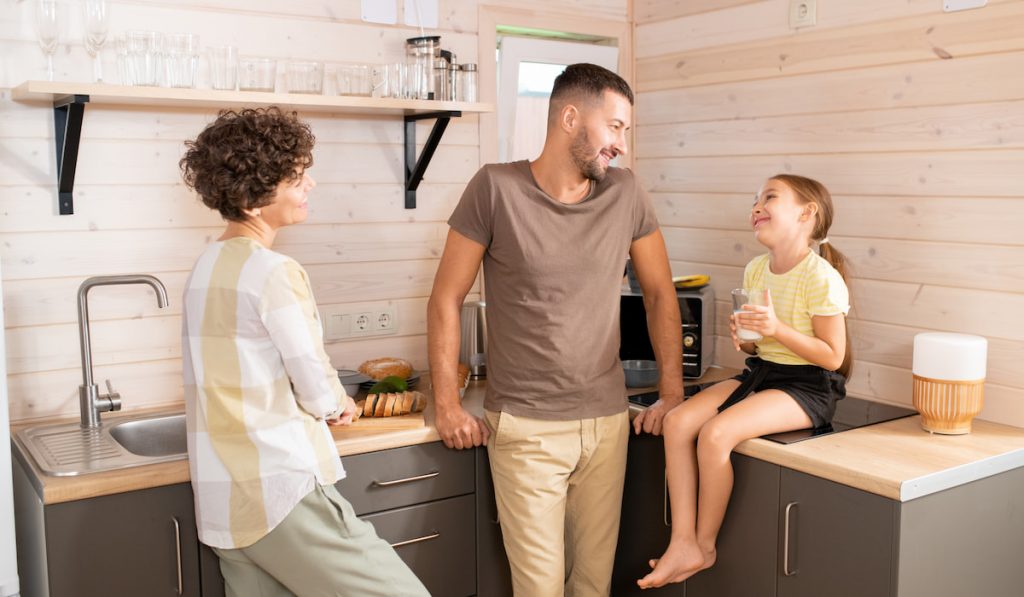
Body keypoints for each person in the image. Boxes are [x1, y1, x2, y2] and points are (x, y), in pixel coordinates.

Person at [427, 63, 683, 596]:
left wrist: (672, 395)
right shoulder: (494, 188)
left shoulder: (627, 193)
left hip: (608, 425)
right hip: (527, 429)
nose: (621, 145)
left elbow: (661, 294)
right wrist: (448, 405)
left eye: (625, 132)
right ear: (570, 117)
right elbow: (446, 299)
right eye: (614, 127)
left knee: (592, 586)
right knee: (540, 590)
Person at [179, 107, 429, 597]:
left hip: (224, 502)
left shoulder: (204, 267)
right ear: (253, 200)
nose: (309, 183)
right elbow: (313, 378)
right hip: (280, 491)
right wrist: (339, 404)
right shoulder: (273, 271)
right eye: (295, 177)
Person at [637, 174, 852, 589]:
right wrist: (749, 342)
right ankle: (681, 540)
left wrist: (775, 329)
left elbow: (833, 357)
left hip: (809, 387)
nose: (756, 206)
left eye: (769, 197)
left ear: (807, 214)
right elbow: (761, 349)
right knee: (679, 422)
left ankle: (704, 544)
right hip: (765, 374)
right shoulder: (756, 269)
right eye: (754, 200)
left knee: (716, 434)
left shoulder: (820, 276)